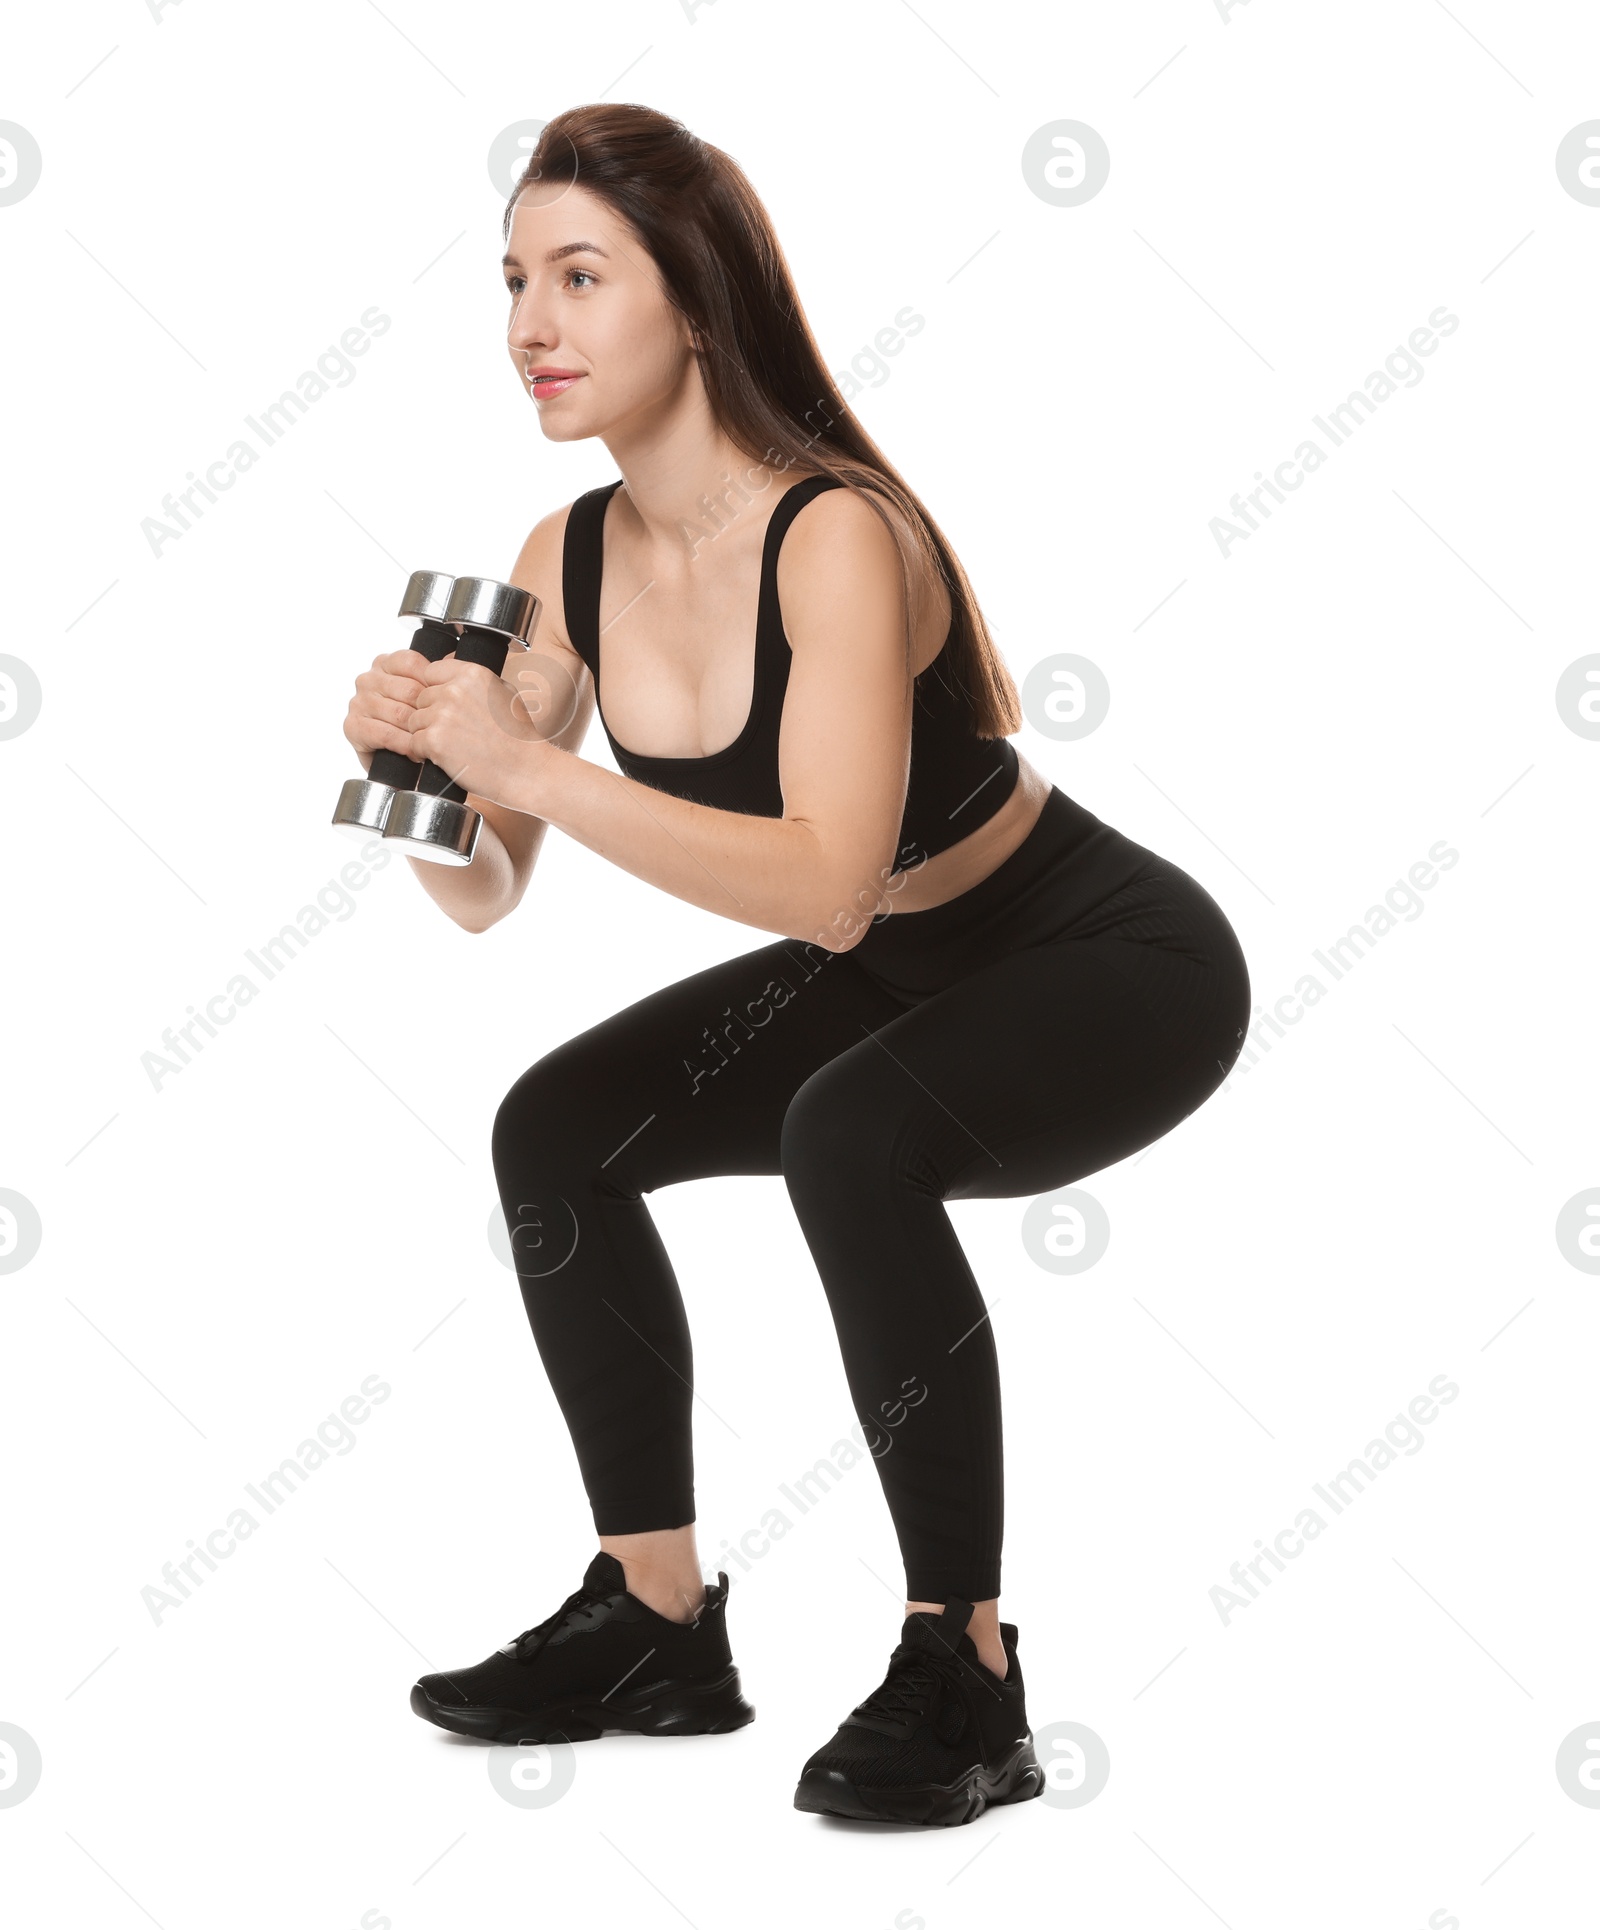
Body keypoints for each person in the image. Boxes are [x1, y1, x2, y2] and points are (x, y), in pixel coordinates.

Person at [341, 103, 1250, 1828]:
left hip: (1108, 955)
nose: (531, 323)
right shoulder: (566, 558)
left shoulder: (834, 531)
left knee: (851, 1129)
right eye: (515, 279)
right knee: (558, 1130)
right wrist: (424, 774)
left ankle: (965, 1670)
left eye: (581, 276)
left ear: (691, 300)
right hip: (902, 975)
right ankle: (656, 1621)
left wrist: (527, 760)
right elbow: (483, 897)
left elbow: (829, 890)